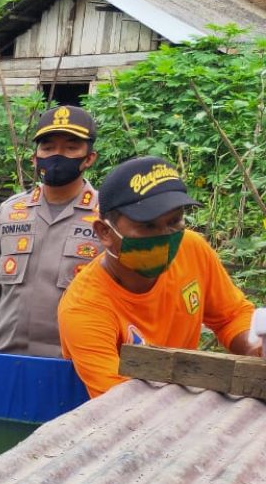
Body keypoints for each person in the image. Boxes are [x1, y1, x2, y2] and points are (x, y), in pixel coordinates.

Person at [58, 156, 261, 398]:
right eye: (148, 226)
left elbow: (230, 316)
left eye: (174, 221)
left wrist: (254, 347)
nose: (165, 236)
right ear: (105, 232)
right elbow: (119, 404)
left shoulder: (191, 248)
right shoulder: (85, 309)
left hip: (181, 397)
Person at [0, 106, 102, 357]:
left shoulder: (106, 217)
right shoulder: (10, 212)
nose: (58, 155)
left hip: (75, 370)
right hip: (7, 362)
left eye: (71, 148)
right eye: (48, 148)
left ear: (89, 158)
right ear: (35, 158)